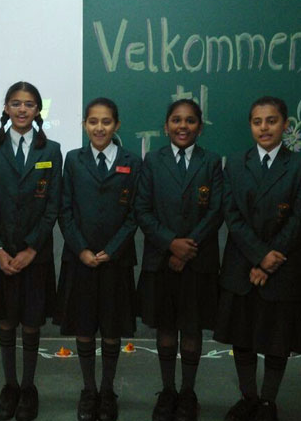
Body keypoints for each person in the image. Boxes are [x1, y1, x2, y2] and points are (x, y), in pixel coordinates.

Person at [0, 81, 62, 421]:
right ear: (6, 108)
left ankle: (28, 387)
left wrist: (32, 248)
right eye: (15, 103)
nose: (22, 109)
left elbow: (52, 206)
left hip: (34, 255)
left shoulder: (51, 150)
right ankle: (9, 386)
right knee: (6, 320)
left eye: (29, 104)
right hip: (0, 255)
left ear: (38, 110)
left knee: (31, 322)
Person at [135, 99, 223, 421]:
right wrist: (171, 244)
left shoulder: (211, 162)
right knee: (166, 327)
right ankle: (168, 390)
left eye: (190, 120)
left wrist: (187, 249)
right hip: (161, 260)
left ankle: (188, 392)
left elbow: (216, 211)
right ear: (166, 126)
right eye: (176, 120)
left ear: (200, 127)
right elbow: (142, 209)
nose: (182, 126)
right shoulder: (152, 161)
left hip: (198, 262)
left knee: (192, 329)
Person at [214, 96, 301, 421]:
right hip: (242, 266)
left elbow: (297, 218)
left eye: (272, 121)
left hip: (283, 265)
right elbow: (231, 214)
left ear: (285, 125)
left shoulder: (297, 165)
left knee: (277, 341)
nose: (264, 128)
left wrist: (270, 260)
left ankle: (267, 402)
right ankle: (248, 397)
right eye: (257, 122)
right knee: (242, 338)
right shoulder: (236, 163)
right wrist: (260, 255)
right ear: (250, 125)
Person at [55, 97, 141, 421]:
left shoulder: (132, 161)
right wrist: (81, 249)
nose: (100, 127)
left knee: (112, 329)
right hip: (80, 259)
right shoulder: (73, 160)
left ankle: (107, 391)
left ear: (117, 125)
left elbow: (135, 213)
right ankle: (89, 390)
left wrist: (113, 249)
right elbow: (65, 209)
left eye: (106, 122)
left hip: (116, 260)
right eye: (93, 121)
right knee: (84, 327)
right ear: (84, 125)